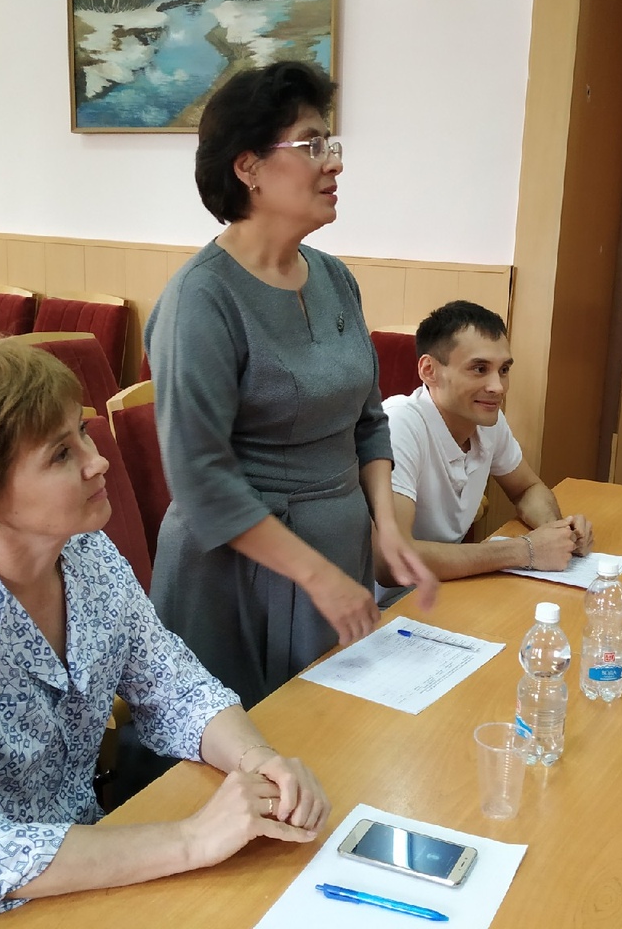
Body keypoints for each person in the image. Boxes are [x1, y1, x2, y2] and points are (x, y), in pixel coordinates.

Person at [0, 339, 330, 929]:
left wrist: (259, 763)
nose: (97, 461)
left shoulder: (88, 554)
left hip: (77, 860)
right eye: (61, 454)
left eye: (83, 433)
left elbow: (175, 688)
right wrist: (194, 838)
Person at [144, 61, 436, 708]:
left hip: (338, 551)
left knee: (335, 738)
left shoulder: (335, 278)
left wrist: (387, 528)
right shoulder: (201, 300)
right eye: (312, 145)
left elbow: (368, 422)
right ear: (247, 167)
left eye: (332, 143)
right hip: (237, 576)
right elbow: (200, 478)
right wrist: (317, 577)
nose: (335, 163)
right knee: (250, 746)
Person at [375, 301, 594, 598]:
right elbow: (392, 562)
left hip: (443, 591)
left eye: (503, 370)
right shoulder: (399, 424)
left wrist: (558, 533)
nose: (498, 387)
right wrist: (525, 551)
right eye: (479, 369)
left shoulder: (487, 421)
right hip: (380, 608)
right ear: (429, 371)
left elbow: (527, 488)